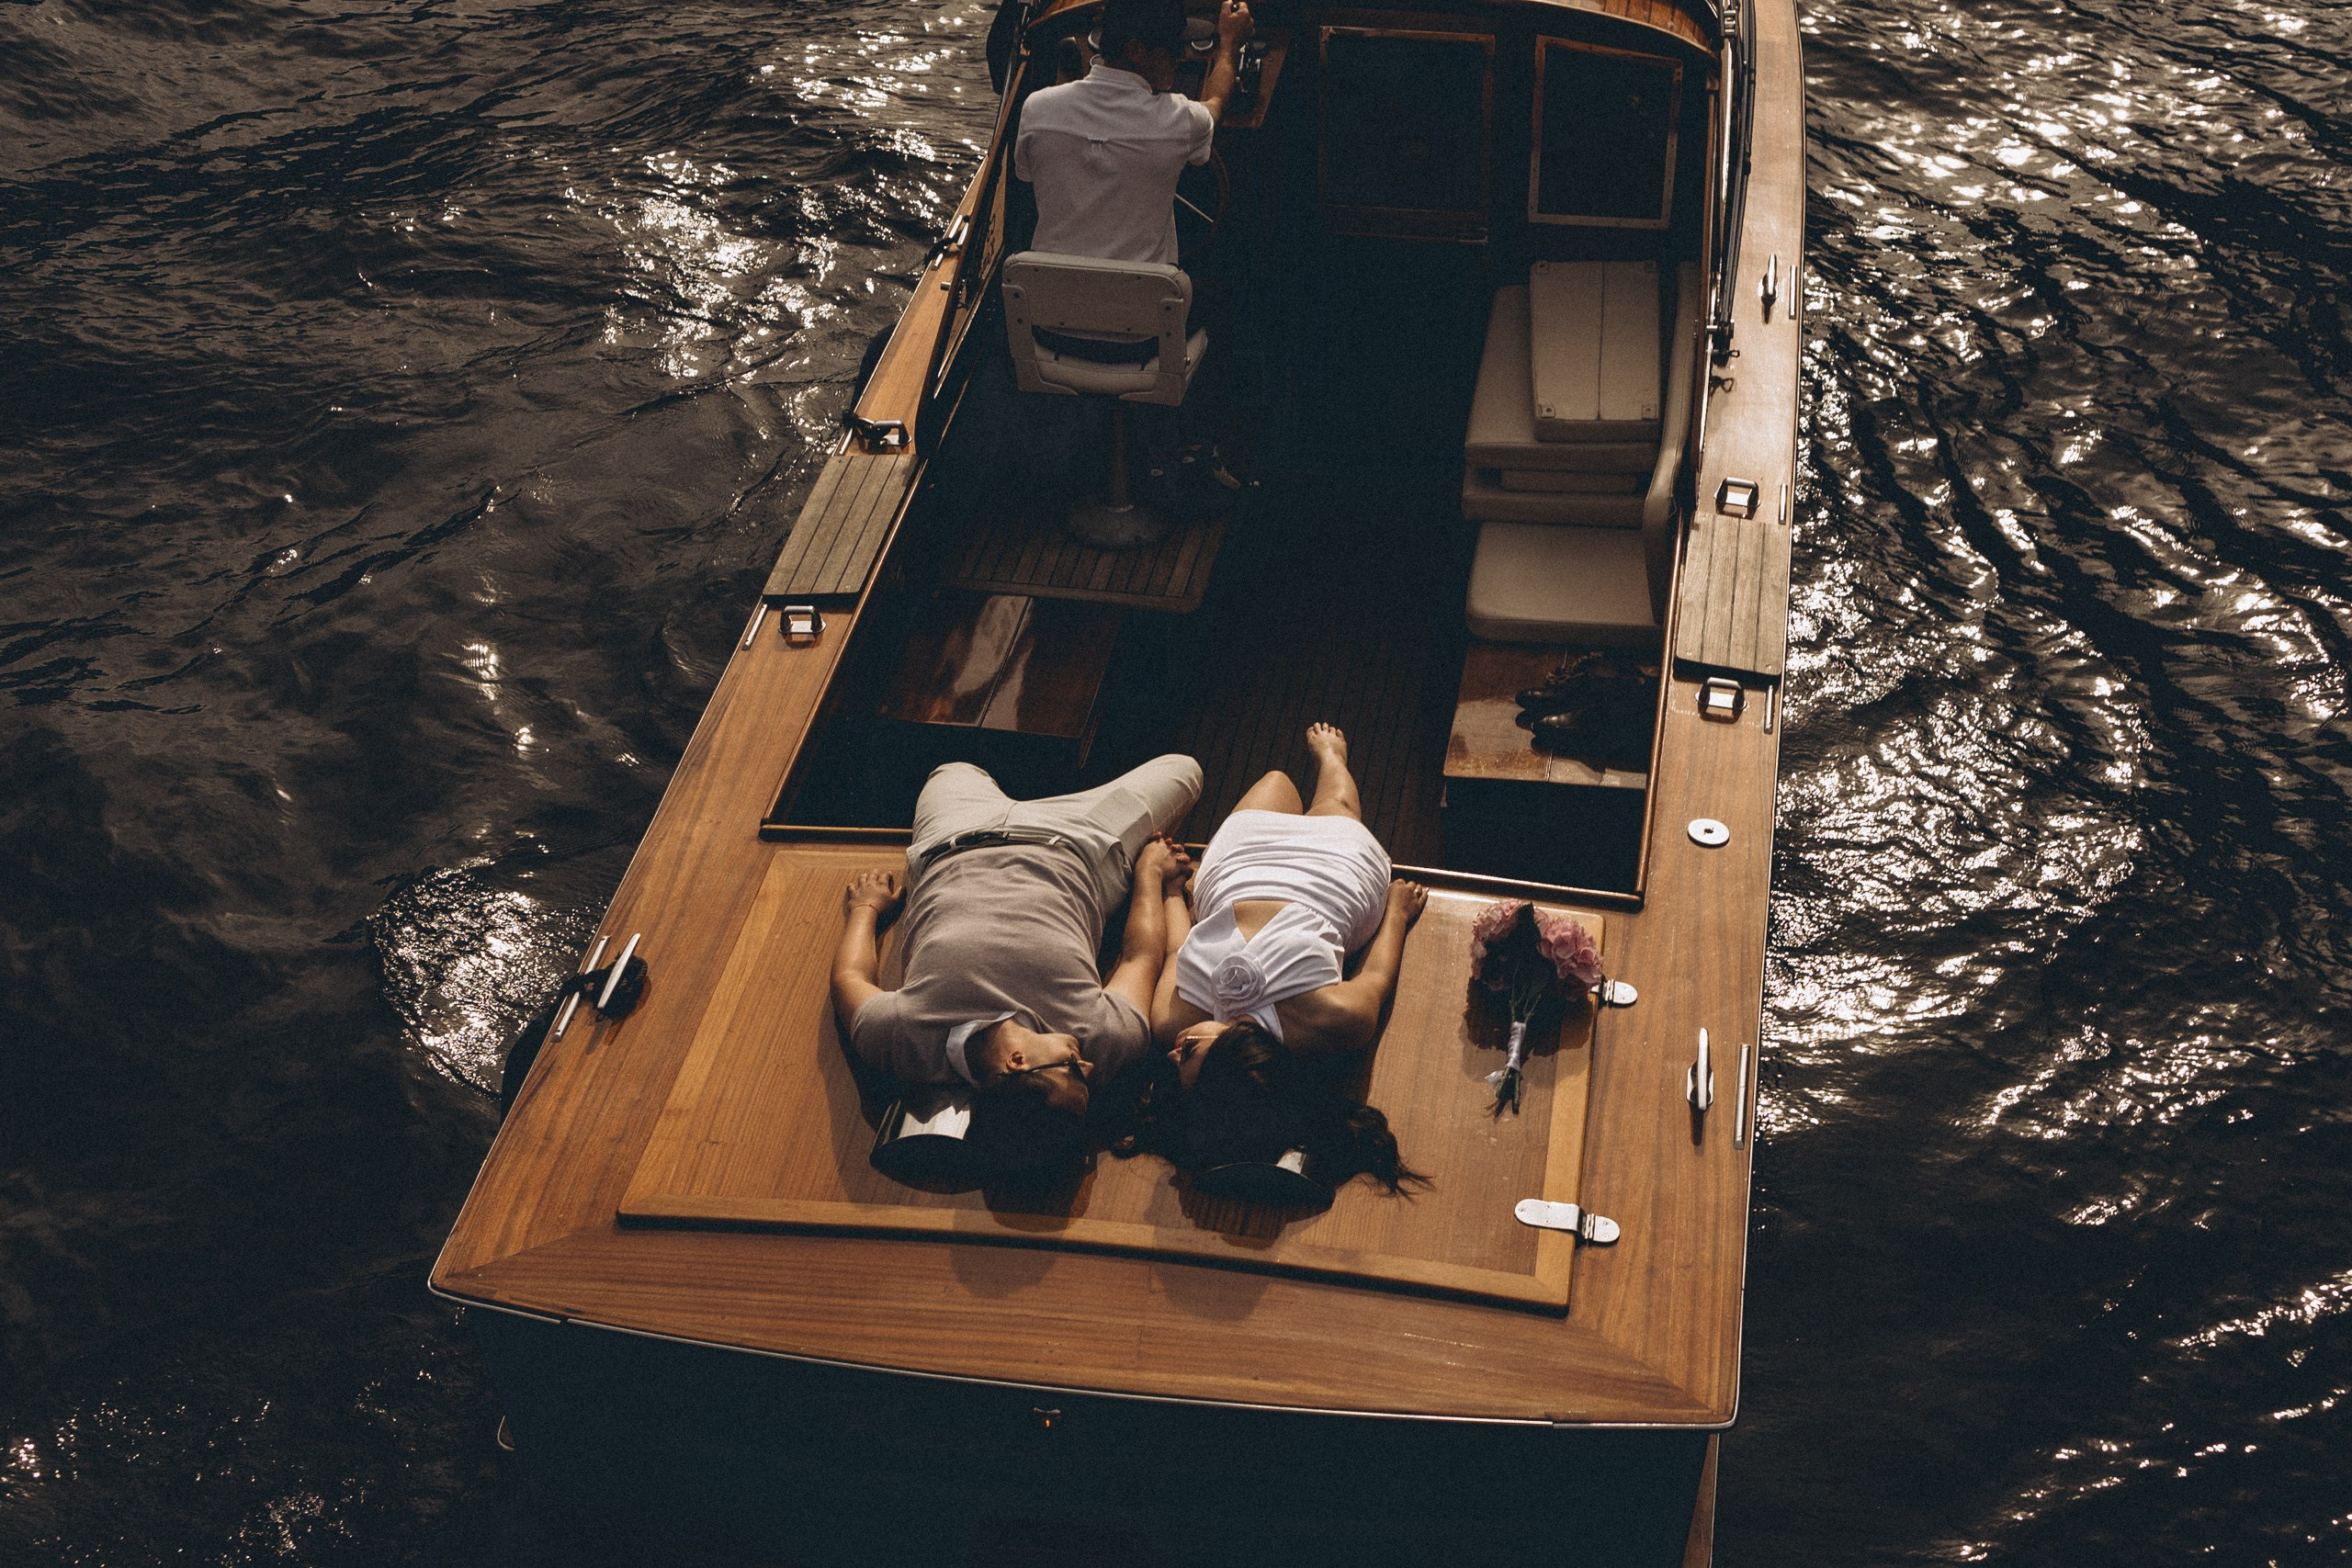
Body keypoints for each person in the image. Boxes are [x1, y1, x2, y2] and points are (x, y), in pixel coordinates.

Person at [831, 754, 1203, 1168]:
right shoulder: (1104, 1038)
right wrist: (1150, 874)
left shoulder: (903, 1041)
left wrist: (866, 908)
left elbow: (850, 976)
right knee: (1184, 769)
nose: (1089, 1065)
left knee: (954, 769)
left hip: (954, 835)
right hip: (1087, 840)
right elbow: (1140, 957)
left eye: (1073, 1072)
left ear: (1017, 1063)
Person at [1125, 725, 1430, 1191]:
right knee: (1337, 807)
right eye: (1187, 1054)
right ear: (1237, 1057)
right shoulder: (1336, 1022)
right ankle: (1332, 758)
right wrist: (1397, 913)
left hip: (1236, 874)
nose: (1172, 1049)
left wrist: (1170, 890)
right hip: (1331, 881)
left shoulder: (1170, 1020)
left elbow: (1175, 947)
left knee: (1276, 780)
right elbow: (1377, 974)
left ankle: (1323, 765)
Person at [1013, 0, 1257, 268]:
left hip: (1050, 296)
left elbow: (1026, 177)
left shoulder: (1036, 109)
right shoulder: (1181, 120)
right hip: (1143, 302)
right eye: (1172, 47)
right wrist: (1229, 46)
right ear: (1135, 50)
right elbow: (1216, 103)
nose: (1181, 56)